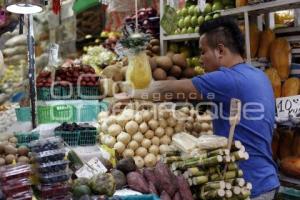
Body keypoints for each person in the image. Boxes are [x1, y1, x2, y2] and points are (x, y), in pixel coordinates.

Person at [114, 16, 279, 199]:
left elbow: (167, 89)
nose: (200, 59)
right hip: (265, 178)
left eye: (203, 52)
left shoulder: (226, 79)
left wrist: (131, 93)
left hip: (248, 185)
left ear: (220, 51)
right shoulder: (259, 76)